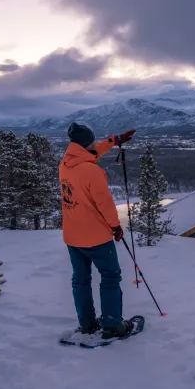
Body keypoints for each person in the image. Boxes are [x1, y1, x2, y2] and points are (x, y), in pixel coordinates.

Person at [59, 122, 136, 339]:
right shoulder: (92, 171)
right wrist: (115, 227)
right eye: (92, 140)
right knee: (110, 277)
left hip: (72, 237)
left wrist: (114, 140)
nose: (95, 143)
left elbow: (93, 152)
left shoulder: (66, 163)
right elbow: (105, 204)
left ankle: (87, 324)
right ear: (86, 144)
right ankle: (112, 325)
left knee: (80, 280)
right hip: (96, 238)